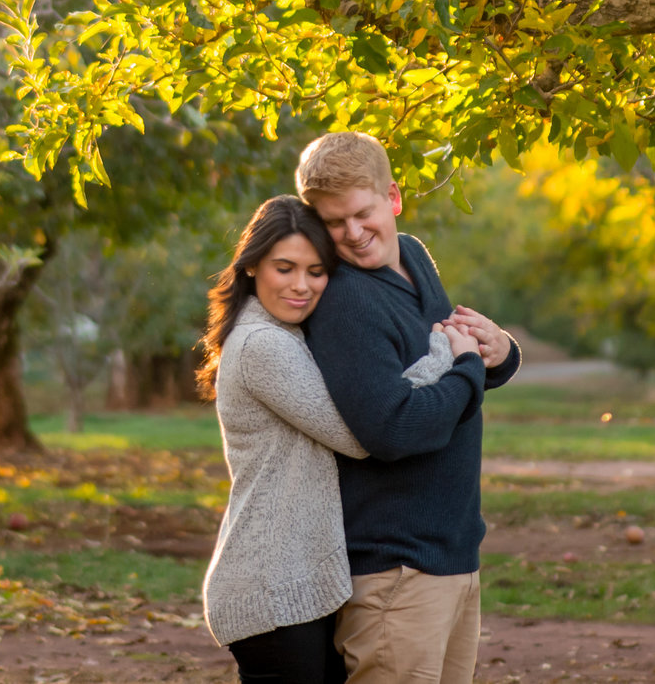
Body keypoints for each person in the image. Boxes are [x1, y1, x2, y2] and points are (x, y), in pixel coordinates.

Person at [197, 194, 483, 684]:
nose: (301, 286)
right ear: (251, 268)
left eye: (316, 271)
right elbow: (361, 432)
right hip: (272, 586)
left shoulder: (286, 333)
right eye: (284, 268)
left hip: (305, 580)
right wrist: (452, 356)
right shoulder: (262, 345)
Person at [298, 133, 520, 684]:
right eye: (332, 222)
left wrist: (500, 352)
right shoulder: (346, 300)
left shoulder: (415, 257)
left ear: (393, 197)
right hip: (396, 568)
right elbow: (394, 427)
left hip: (452, 550)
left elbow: (442, 375)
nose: (352, 234)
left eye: (362, 213)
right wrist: (470, 368)